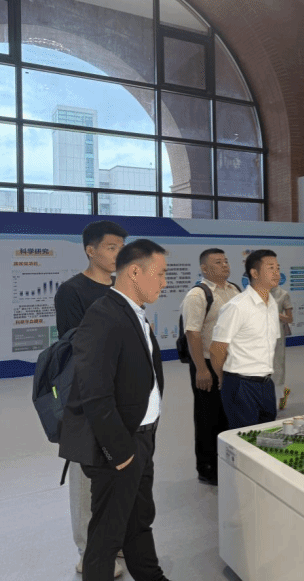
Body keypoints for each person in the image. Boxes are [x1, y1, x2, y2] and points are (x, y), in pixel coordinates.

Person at [58, 239, 171, 581]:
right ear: (135, 272)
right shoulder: (103, 315)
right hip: (120, 445)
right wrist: (120, 452)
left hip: (142, 438)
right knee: (106, 535)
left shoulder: (135, 314)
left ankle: (151, 576)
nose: (164, 282)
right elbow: (94, 393)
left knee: (138, 520)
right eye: (160, 274)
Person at [54, 219, 127, 579]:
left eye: (122, 248)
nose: (119, 254)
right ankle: (89, 550)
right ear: (90, 250)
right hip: (88, 399)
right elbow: (75, 346)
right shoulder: (72, 291)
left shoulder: (125, 288)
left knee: (123, 472)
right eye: (112, 247)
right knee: (88, 476)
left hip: (126, 396)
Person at [180, 248, 241, 485]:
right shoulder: (198, 295)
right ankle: (208, 469)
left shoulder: (235, 290)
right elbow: (192, 334)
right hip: (206, 363)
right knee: (209, 417)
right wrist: (202, 370)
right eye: (218, 262)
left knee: (229, 414)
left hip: (231, 362)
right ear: (204, 269)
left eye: (226, 261)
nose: (225, 265)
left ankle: (228, 464)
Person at [210, 250, 281, 430]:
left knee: (267, 435)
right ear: (254, 273)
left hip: (266, 383)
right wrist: (224, 379)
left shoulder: (272, 304)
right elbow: (217, 349)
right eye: (270, 268)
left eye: (278, 268)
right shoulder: (237, 306)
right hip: (241, 384)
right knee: (244, 438)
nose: (276, 273)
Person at [272, 283, 293, 410]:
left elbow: (290, 319)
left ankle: (281, 393)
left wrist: (275, 313)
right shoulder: (257, 292)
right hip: (259, 337)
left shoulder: (283, 294)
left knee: (277, 367)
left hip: (277, 337)